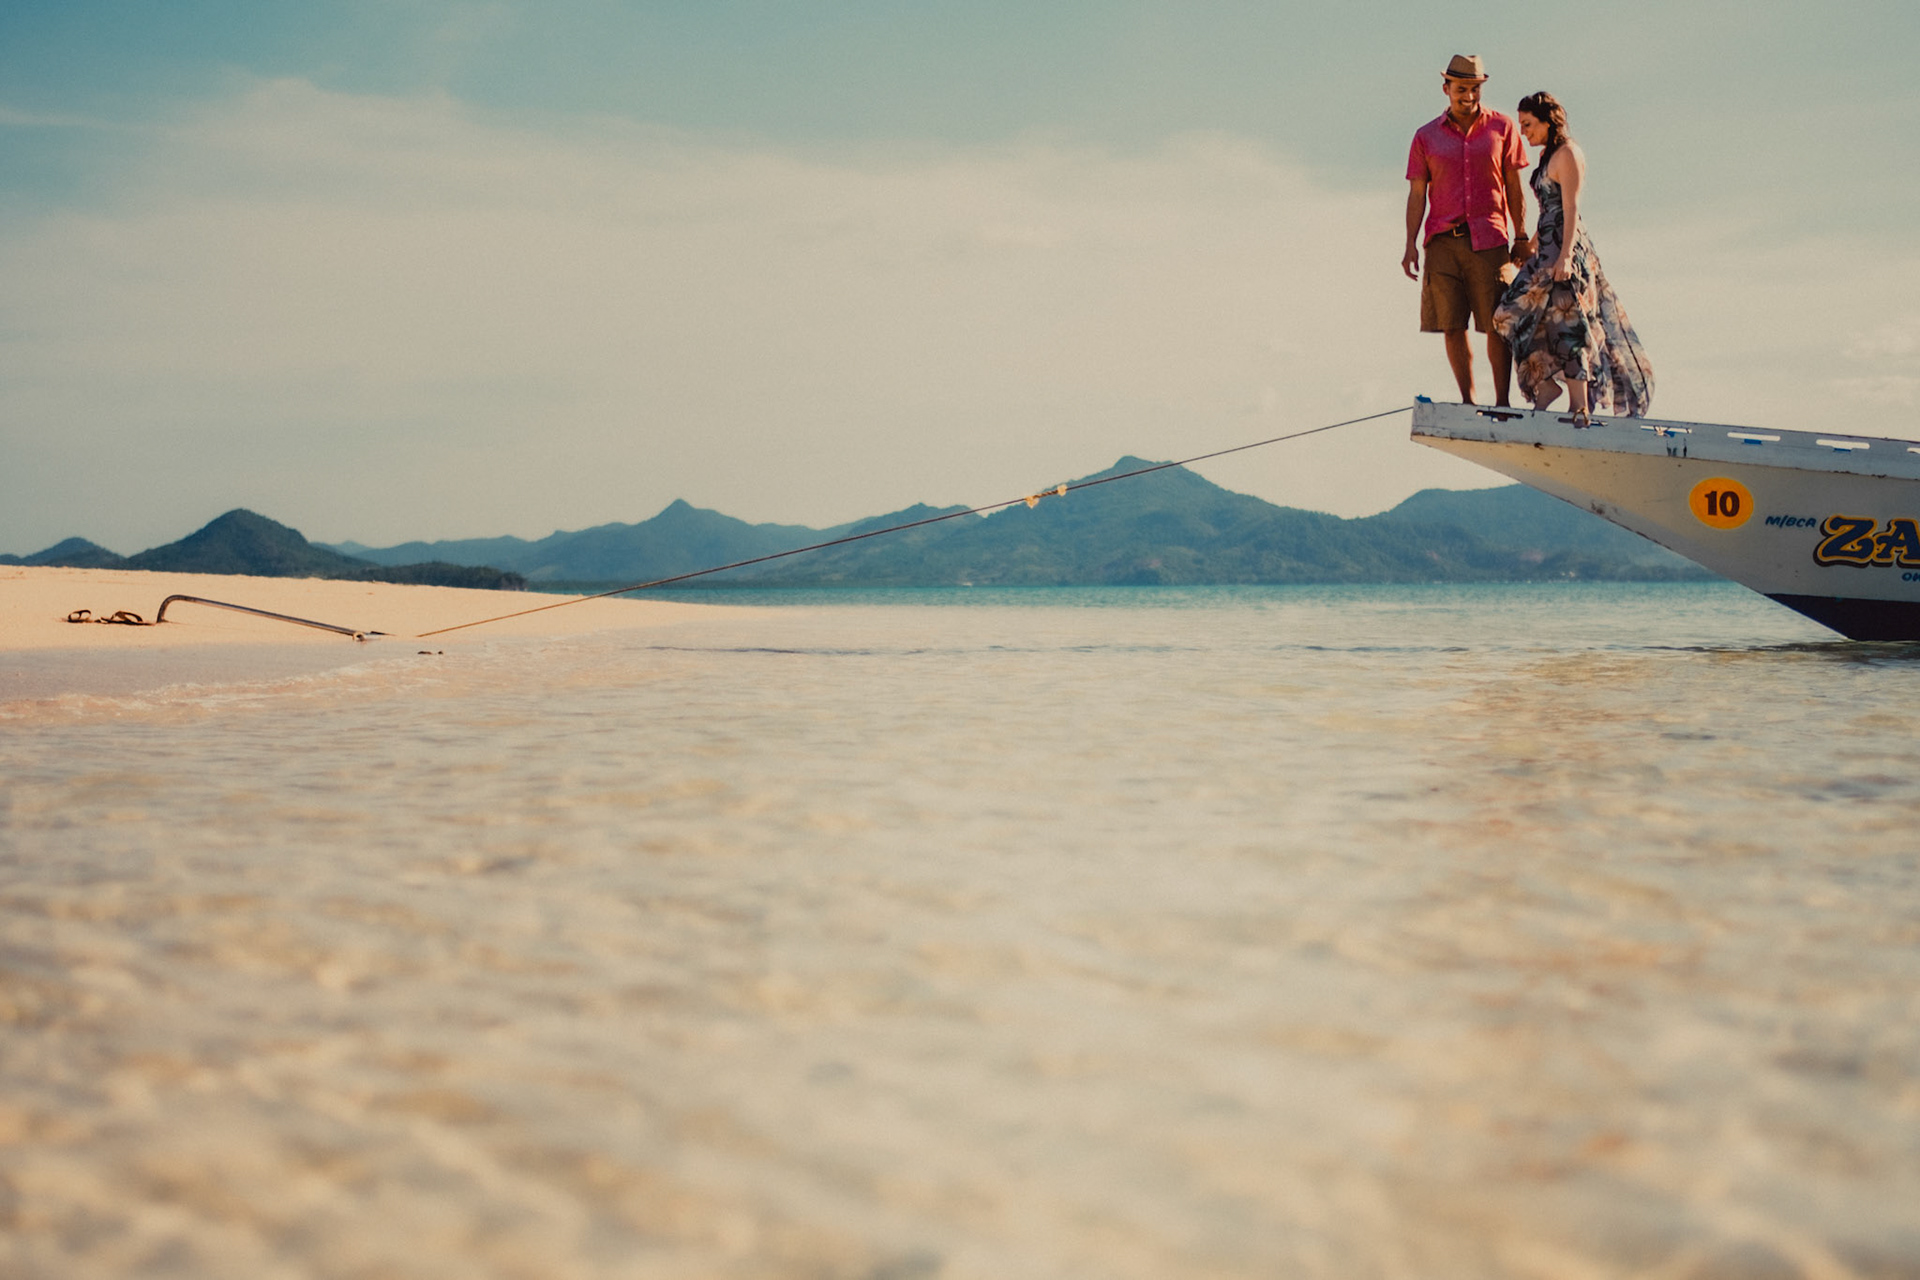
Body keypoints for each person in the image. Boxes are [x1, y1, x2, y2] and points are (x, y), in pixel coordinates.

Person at [1492, 91, 1653, 421]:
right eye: (1521, 125)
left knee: (1569, 323)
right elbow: (1547, 211)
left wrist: (1565, 257)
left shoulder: (1568, 153)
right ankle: (1548, 385)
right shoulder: (1547, 157)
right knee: (1506, 314)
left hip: (1568, 250)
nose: (1523, 132)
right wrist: (1531, 248)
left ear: (1548, 122)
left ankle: (1578, 405)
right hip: (1547, 248)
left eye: (1528, 124)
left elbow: (1570, 209)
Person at [1402, 54, 1530, 406]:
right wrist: (1410, 245)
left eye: (1474, 89)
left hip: (1490, 240)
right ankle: (1468, 401)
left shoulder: (1502, 128)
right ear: (1446, 89)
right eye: (1461, 89)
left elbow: (1514, 186)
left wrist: (1520, 234)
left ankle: (1502, 402)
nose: (1468, 96)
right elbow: (1417, 194)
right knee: (1451, 324)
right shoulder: (1425, 137)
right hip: (1443, 240)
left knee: (1496, 324)